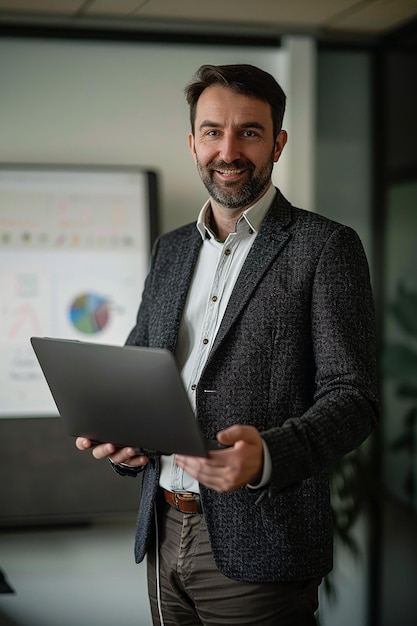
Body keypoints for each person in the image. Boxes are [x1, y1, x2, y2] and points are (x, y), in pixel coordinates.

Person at [76, 64, 379, 625]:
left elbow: (354, 398)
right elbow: (139, 368)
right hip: (164, 529)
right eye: (213, 131)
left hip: (264, 543)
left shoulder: (325, 247)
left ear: (278, 143)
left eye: (250, 131)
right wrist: (123, 440)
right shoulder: (170, 250)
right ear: (193, 143)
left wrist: (268, 455)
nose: (229, 149)